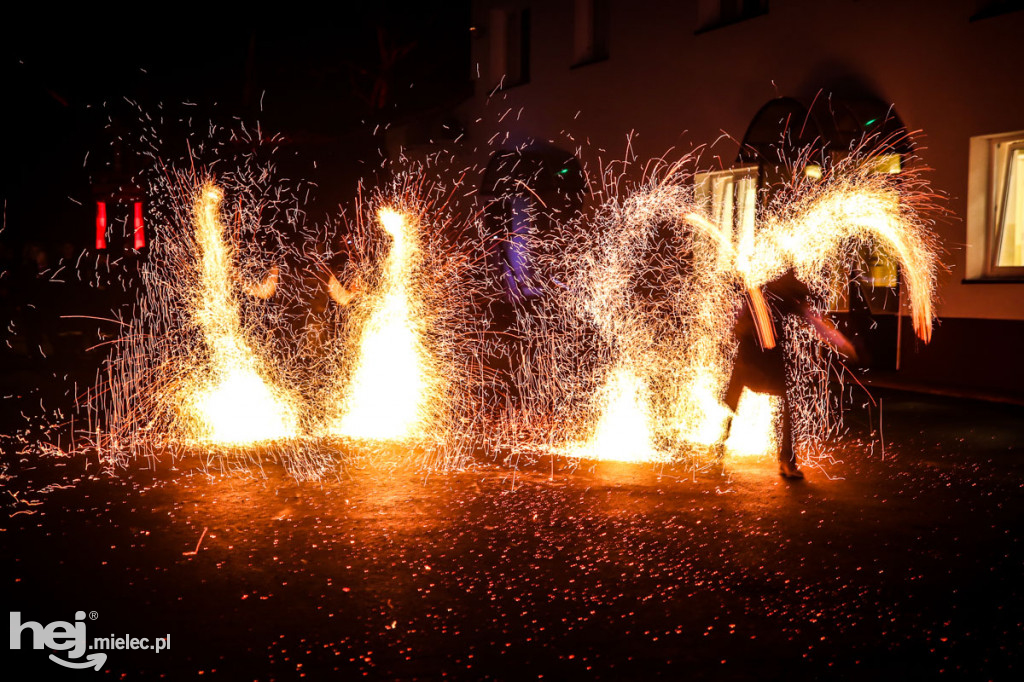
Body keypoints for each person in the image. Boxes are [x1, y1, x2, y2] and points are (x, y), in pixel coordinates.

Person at [720, 269, 855, 480]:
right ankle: (785, 462)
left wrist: (840, 342)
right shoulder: (783, 294)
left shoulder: (767, 291)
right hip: (759, 358)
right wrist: (842, 343)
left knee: (735, 399)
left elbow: (737, 316)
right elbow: (815, 323)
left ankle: (722, 443)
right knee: (779, 404)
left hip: (754, 358)